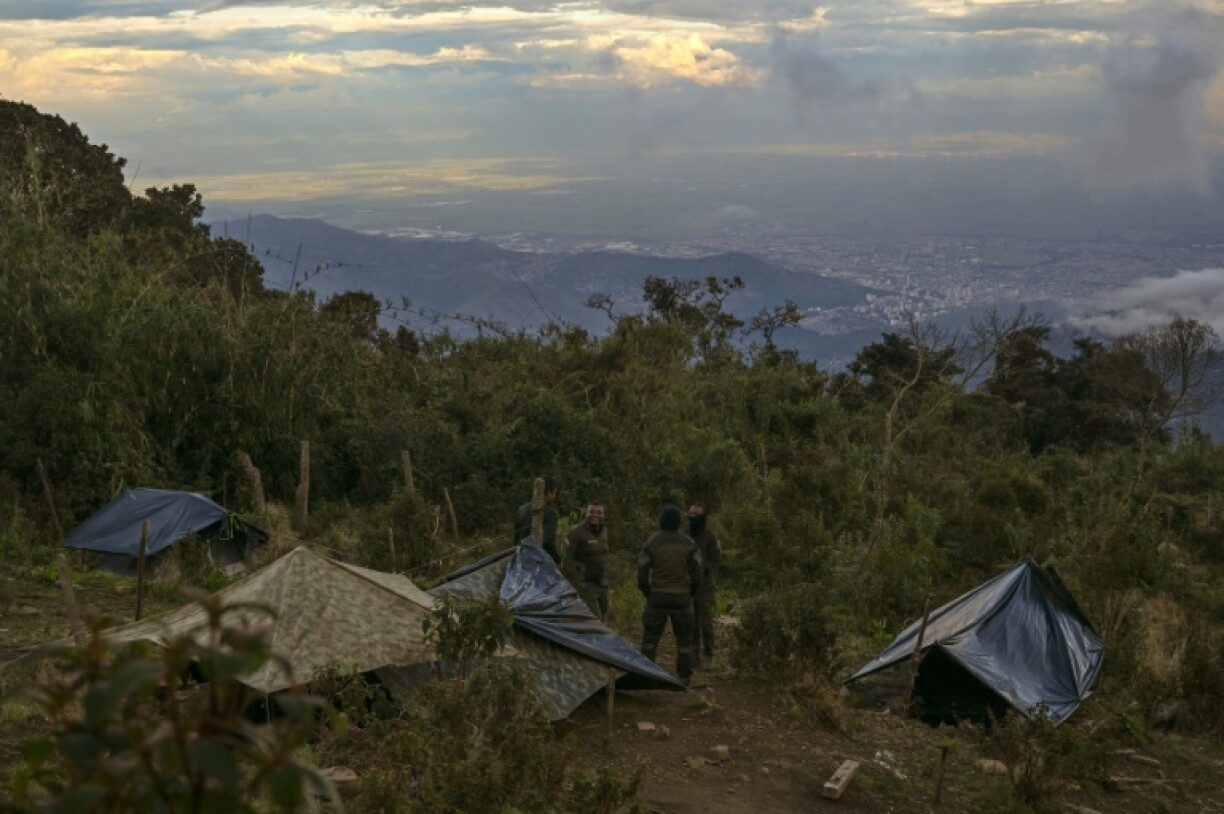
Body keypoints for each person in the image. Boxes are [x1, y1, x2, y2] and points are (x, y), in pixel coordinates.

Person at [637, 504, 701, 686]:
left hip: (657, 596)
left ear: (661, 521)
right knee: (684, 640)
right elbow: (697, 572)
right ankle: (684, 676)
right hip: (682, 598)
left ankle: (645, 675)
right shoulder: (689, 543)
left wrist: (647, 591)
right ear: (679, 522)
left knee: (650, 639)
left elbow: (642, 572)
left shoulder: (652, 542)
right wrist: (691, 593)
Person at [687, 503, 722, 670]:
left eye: (696, 515)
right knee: (691, 622)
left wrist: (706, 569)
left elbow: (716, 559)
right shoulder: (685, 535)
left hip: (705, 587)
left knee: (706, 622)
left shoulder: (710, 537)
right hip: (688, 586)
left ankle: (709, 654)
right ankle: (694, 656)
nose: (692, 518)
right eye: (690, 515)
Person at [564, 503, 609, 619]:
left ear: (603, 515)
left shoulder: (604, 531)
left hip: (602, 583)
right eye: (592, 512)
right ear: (586, 513)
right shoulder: (576, 532)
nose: (595, 515)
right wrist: (577, 580)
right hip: (586, 584)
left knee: (603, 616)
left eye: (599, 513)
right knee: (595, 618)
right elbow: (567, 559)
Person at [514, 478, 560, 563]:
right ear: (549, 493)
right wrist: (557, 560)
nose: (554, 496)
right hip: (538, 561)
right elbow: (548, 542)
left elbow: (516, 538)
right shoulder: (552, 514)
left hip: (520, 558)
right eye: (554, 493)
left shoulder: (521, 509)